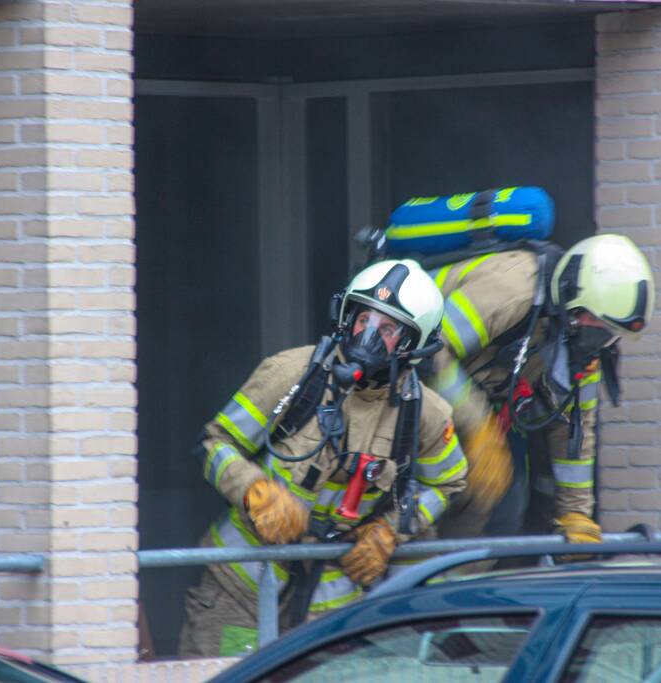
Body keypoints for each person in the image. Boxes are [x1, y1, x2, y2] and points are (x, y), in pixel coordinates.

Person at [179, 259, 468, 658]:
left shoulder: (427, 415)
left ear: (414, 345)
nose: (366, 336)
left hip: (334, 604)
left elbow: (447, 482)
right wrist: (254, 491)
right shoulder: (289, 374)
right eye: (362, 318)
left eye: (386, 329)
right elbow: (215, 442)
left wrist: (389, 530)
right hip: (241, 588)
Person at [427, 233, 654, 547]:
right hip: (403, 399)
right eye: (596, 325)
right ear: (572, 297)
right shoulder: (511, 290)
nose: (599, 341)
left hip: (462, 415)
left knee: (501, 503)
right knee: (422, 505)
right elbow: (429, 351)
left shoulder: (583, 347)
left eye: (611, 334)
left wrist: (576, 514)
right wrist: (477, 425)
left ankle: (457, 585)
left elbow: (575, 431)